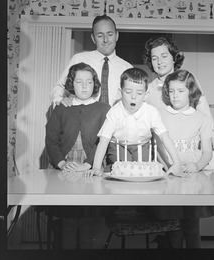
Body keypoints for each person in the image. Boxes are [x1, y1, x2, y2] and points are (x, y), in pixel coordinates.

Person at [150, 69, 214, 248]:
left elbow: (207, 152)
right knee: (173, 226)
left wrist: (197, 166)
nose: (175, 96)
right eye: (172, 91)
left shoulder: (202, 118)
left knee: (192, 226)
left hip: (192, 180)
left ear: (190, 91)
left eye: (180, 91)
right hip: (170, 178)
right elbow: (158, 148)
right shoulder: (159, 114)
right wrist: (170, 166)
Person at [45, 62, 110, 249]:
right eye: (79, 81)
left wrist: (88, 164)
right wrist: (63, 163)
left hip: (91, 173)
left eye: (89, 82)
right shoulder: (62, 108)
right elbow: (51, 141)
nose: (84, 86)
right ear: (71, 84)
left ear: (95, 84)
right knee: (69, 223)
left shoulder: (104, 109)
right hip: (65, 174)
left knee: (89, 223)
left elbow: (104, 143)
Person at [143, 36, 214, 171]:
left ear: (173, 58)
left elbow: (207, 117)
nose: (159, 62)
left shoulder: (190, 81)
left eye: (164, 56)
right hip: (163, 162)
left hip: (192, 161)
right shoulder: (148, 91)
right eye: (154, 58)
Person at [85, 67, 181, 177]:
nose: (133, 97)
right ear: (120, 92)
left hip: (142, 145)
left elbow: (165, 136)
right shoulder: (114, 112)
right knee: (120, 168)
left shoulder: (151, 112)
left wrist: (177, 163)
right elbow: (103, 140)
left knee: (142, 170)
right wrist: (96, 168)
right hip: (118, 145)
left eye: (139, 93)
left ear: (146, 95)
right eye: (128, 92)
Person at [50, 14, 132, 107]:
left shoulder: (127, 68)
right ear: (93, 38)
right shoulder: (79, 59)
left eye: (110, 34)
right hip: (83, 118)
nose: (105, 40)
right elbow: (60, 87)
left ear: (116, 36)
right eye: (100, 35)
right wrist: (60, 99)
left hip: (116, 119)